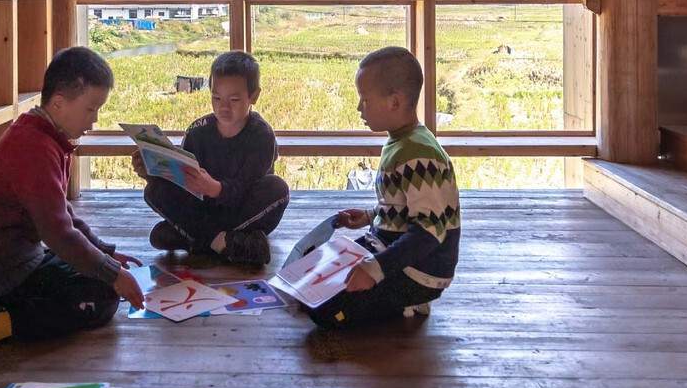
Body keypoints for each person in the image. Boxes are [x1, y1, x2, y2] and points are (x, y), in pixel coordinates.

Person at [0, 46, 145, 363]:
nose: (95, 120)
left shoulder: (43, 134)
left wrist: (105, 253)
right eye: (91, 109)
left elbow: (63, 216)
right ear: (58, 103)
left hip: (21, 260)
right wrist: (112, 274)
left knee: (100, 279)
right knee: (100, 298)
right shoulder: (34, 148)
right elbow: (59, 234)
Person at [307, 46, 460, 330]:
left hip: (419, 270)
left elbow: (429, 232)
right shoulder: (403, 141)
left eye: (365, 100)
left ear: (394, 101)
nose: (358, 108)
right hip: (389, 249)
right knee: (312, 279)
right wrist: (370, 216)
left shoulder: (419, 154)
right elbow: (405, 204)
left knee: (323, 310)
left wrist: (375, 270)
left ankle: (408, 298)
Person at [143, 51, 289, 266]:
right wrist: (153, 170)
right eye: (216, 97)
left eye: (234, 99)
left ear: (254, 96)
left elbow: (246, 188)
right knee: (154, 191)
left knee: (277, 188)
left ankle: (194, 238)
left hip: (244, 211)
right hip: (205, 209)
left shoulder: (261, 135)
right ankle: (226, 243)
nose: (223, 107)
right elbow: (184, 184)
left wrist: (214, 188)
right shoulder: (197, 131)